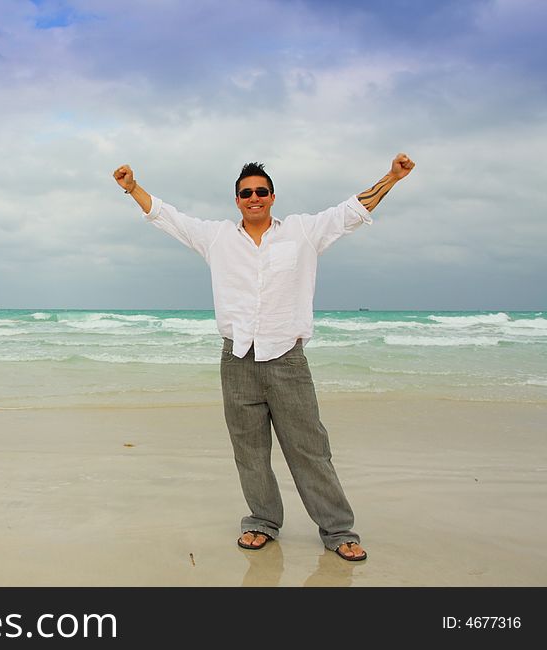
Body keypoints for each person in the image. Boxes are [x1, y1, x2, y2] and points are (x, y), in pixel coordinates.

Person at [112, 153, 415, 561]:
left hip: (287, 359)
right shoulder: (216, 237)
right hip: (236, 360)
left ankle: (338, 529)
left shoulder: (302, 232)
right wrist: (133, 189)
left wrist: (391, 177)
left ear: (272, 197)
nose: (254, 197)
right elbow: (168, 217)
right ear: (236, 200)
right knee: (249, 451)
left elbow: (353, 210)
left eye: (261, 191)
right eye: (245, 193)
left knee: (309, 449)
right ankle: (262, 522)